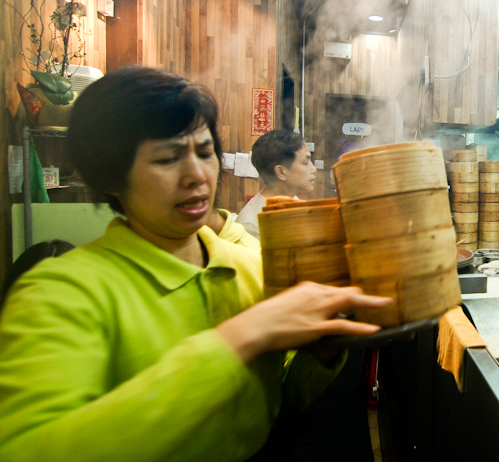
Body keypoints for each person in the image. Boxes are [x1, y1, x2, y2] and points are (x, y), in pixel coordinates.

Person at [0, 66, 391, 462]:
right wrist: (237, 339)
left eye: (205, 153)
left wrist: (321, 352)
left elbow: (274, 406)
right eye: (168, 159)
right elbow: (30, 449)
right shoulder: (60, 293)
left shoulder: (249, 266)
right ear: (111, 177)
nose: (197, 176)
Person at [236, 130, 316, 240]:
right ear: (281, 172)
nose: (314, 169)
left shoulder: (291, 200)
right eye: (306, 163)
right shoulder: (252, 225)